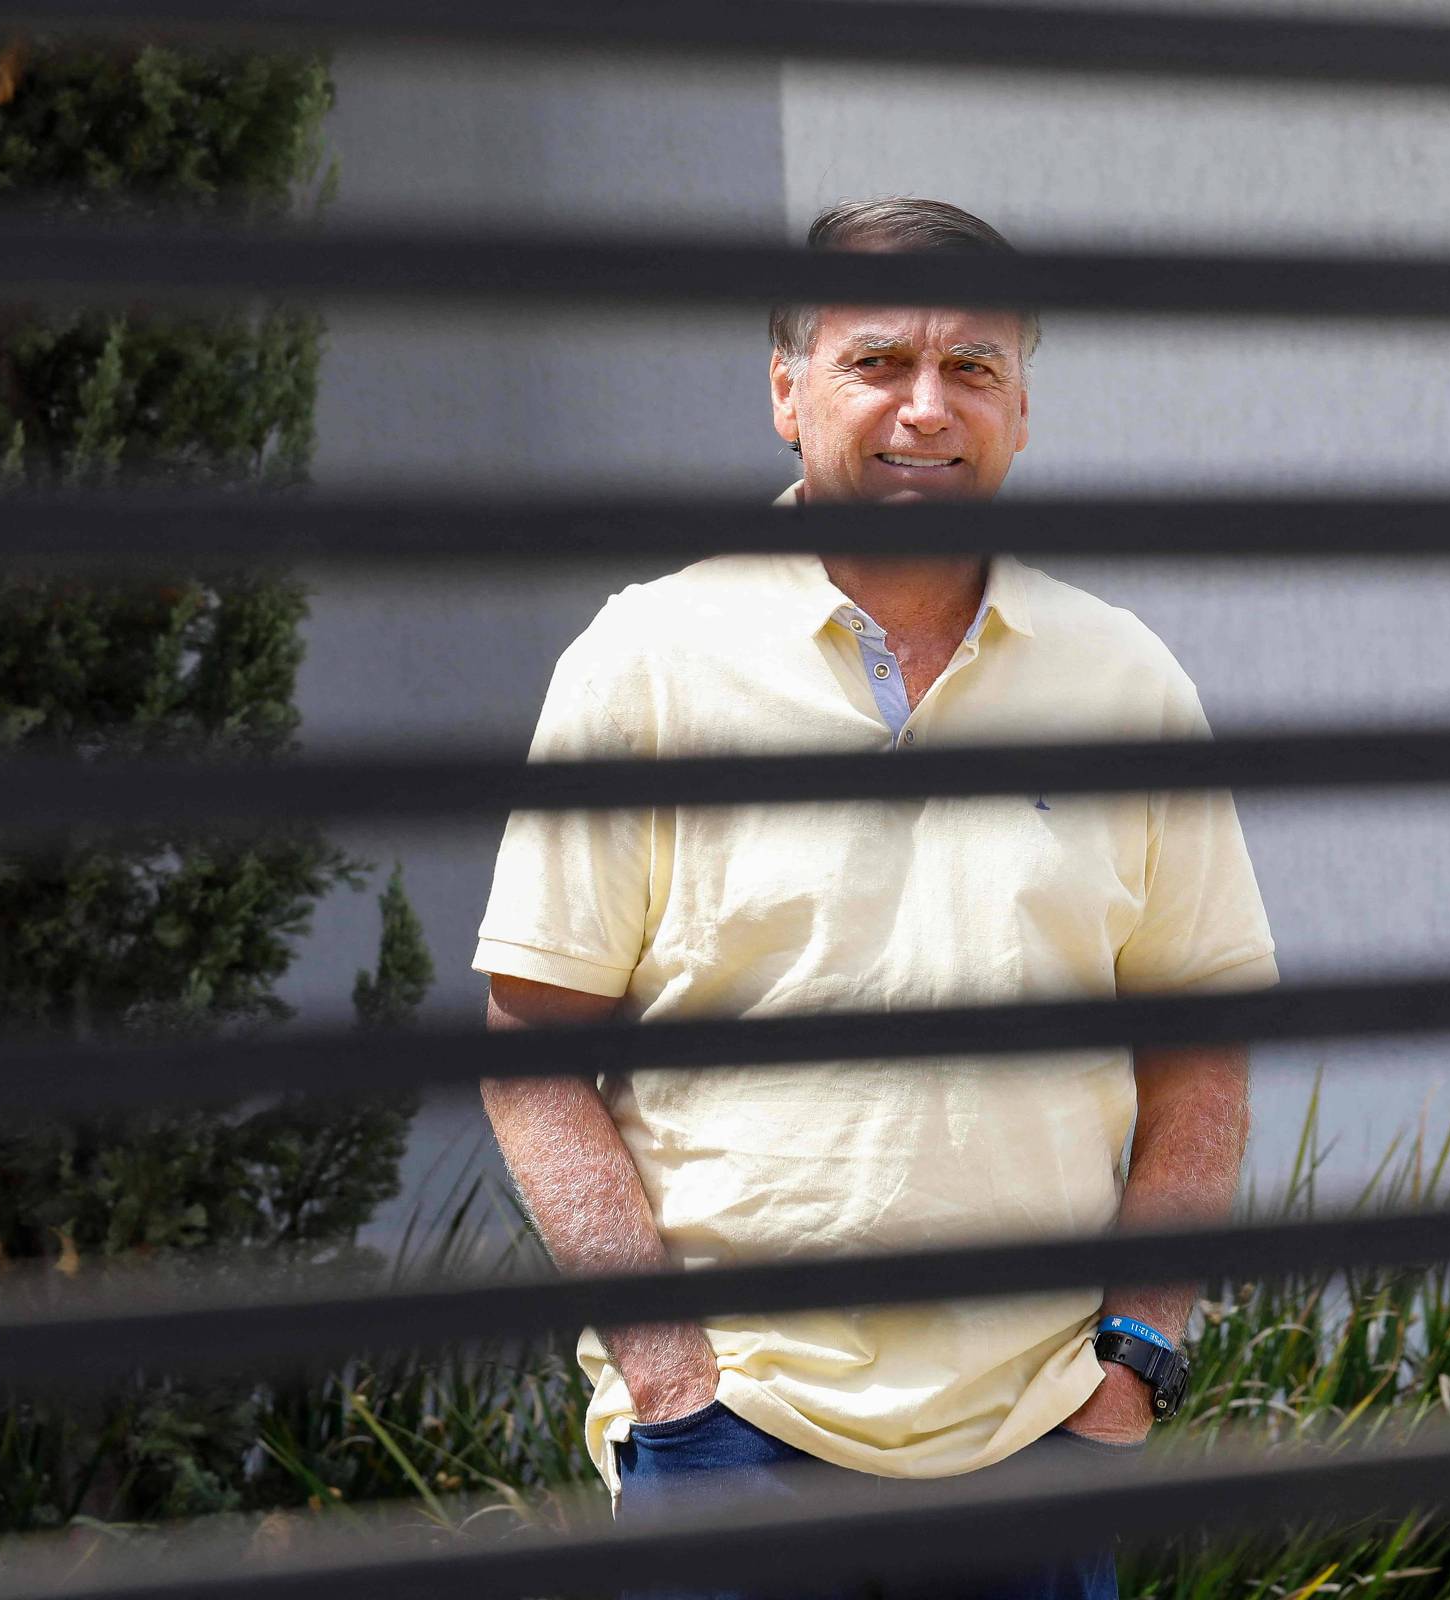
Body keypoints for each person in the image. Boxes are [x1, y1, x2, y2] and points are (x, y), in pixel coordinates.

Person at [474, 196, 1279, 1600]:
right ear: (786, 393)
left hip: (1037, 1442)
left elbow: (1199, 1057)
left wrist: (1133, 1367)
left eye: (972, 367)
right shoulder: (645, 663)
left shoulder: (1126, 681)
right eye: (876, 362)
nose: (926, 408)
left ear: (1021, 409)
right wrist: (675, 1386)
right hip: (735, 1439)